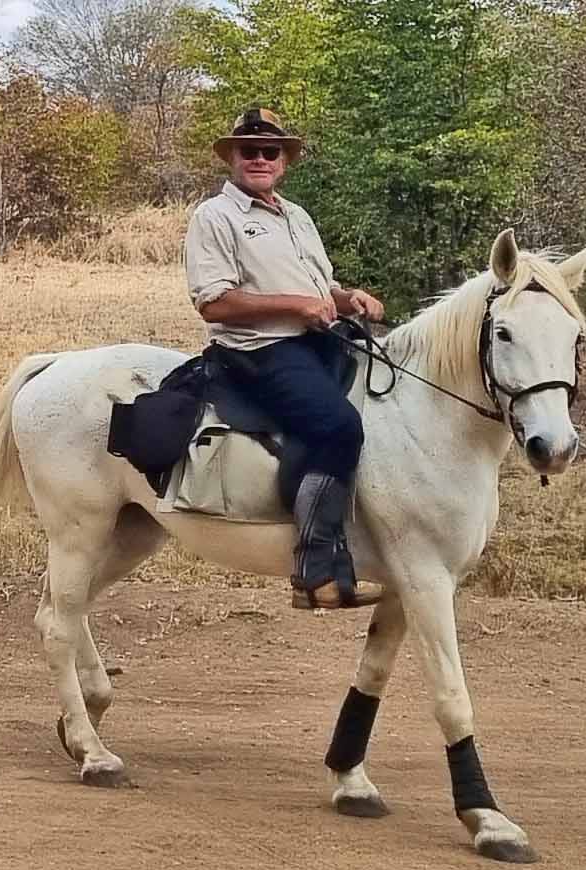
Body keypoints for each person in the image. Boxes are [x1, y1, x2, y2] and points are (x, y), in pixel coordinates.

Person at [183, 108, 388, 610]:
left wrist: (348, 299)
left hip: (317, 340)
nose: (258, 158)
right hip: (257, 350)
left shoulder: (297, 216)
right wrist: (296, 307)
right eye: (248, 150)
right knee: (338, 425)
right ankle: (315, 570)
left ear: (283, 161)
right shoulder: (215, 217)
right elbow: (213, 301)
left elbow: (319, 288)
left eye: (269, 151)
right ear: (232, 156)